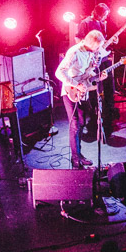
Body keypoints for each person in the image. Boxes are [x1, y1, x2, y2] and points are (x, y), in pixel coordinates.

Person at [54, 29, 108, 168]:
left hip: (84, 90)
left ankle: (79, 154)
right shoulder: (74, 52)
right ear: (90, 43)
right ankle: (75, 158)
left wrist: (98, 76)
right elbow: (59, 72)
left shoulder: (94, 52)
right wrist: (75, 84)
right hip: (70, 91)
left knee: (82, 122)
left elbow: (89, 73)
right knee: (75, 124)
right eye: (97, 47)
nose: (98, 49)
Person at [75, 3, 116, 136]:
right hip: (91, 59)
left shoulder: (101, 23)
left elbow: (101, 41)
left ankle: (109, 108)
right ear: (97, 13)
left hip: (102, 58)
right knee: (93, 83)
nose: (105, 17)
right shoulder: (85, 23)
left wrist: (112, 40)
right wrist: (89, 52)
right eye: (104, 14)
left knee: (109, 82)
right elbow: (78, 39)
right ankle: (93, 111)